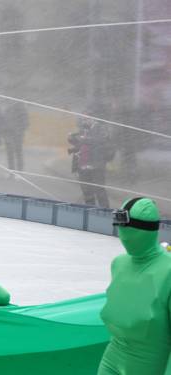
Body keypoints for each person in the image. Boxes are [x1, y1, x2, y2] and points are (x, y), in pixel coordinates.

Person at [98, 197, 170, 375]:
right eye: (120, 229)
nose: (123, 236)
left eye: (128, 230)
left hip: (149, 366)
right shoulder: (118, 264)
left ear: (146, 230)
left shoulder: (168, 272)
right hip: (111, 359)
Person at [68, 118, 111, 208]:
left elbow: (101, 142)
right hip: (82, 165)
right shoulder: (83, 130)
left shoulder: (101, 129)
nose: (84, 121)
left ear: (93, 119)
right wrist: (71, 138)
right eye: (83, 119)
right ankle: (90, 211)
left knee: (99, 190)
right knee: (86, 191)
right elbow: (78, 143)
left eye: (86, 119)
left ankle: (105, 211)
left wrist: (84, 139)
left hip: (96, 166)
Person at [2, 102, 29, 172]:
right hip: (10, 134)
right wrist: (5, 132)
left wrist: (19, 131)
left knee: (17, 152)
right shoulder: (8, 110)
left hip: (16, 135)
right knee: (11, 153)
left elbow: (26, 123)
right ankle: (12, 170)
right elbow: (3, 122)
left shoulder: (21, 110)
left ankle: (18, 170)